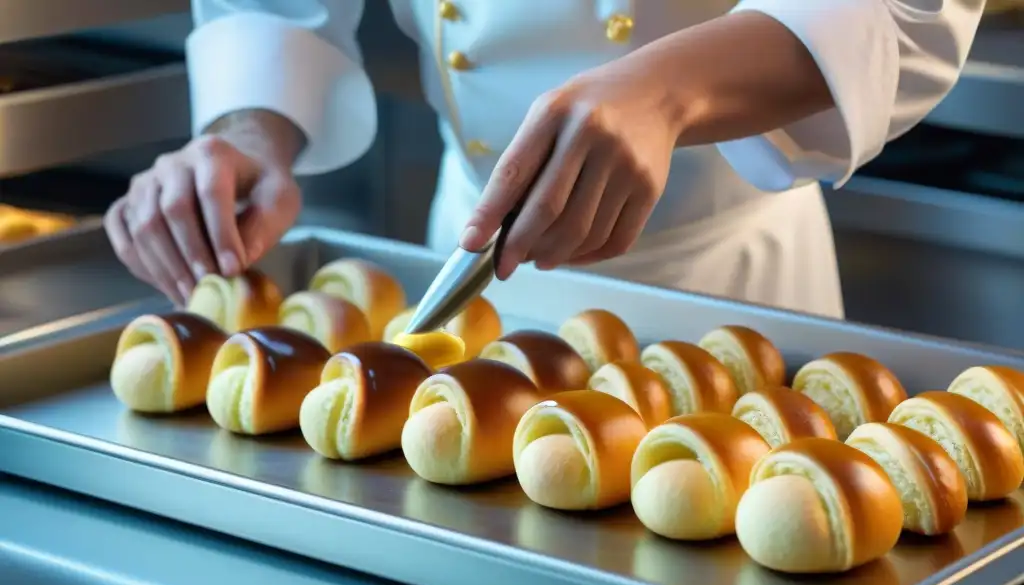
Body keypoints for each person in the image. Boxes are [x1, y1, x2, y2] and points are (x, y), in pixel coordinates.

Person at [105, 1, 984, 318]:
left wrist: (669, 89)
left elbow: (912, 7)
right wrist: (250, 129)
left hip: (725, 290)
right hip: (469, 277)